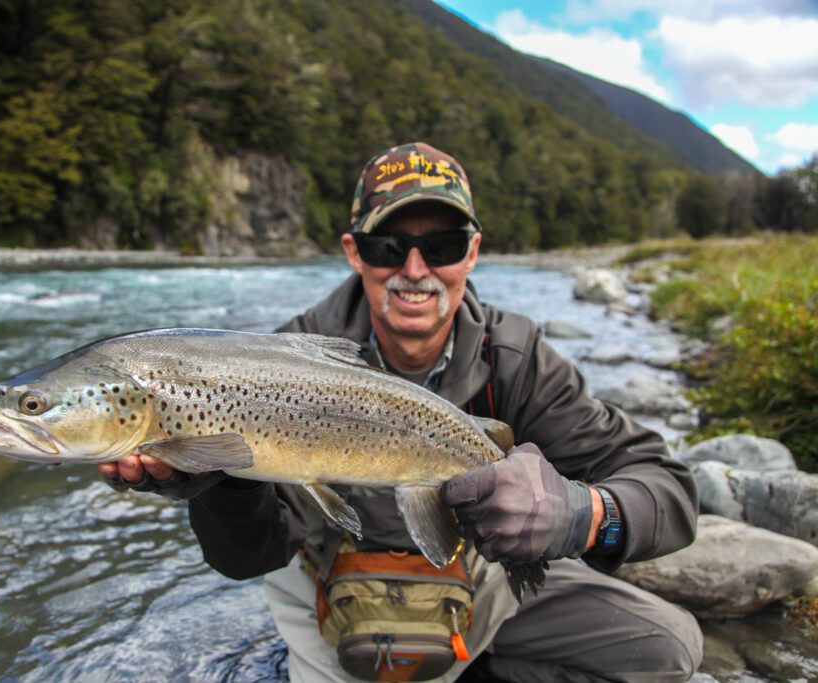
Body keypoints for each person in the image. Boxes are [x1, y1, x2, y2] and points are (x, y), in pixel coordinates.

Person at [99, 142, 703, 682]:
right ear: (353, 253)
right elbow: (248, 557)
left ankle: (482, 660)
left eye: (440, 246)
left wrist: (582, 514)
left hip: (477, 572)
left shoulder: (517, 359)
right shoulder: (280, 362)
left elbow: (669, 492)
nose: (415, 271)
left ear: (472, 253)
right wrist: (210, 479)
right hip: (333, 585)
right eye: (388, 246)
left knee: (667, 648)